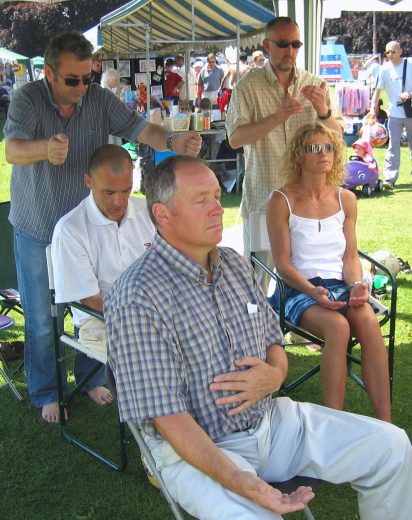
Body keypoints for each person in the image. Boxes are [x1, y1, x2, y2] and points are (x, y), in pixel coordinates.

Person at [104, 155, 411, 520]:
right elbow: (167, 418)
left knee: (392, 446)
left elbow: (273, 341)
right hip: (197, 448)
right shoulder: (137, 296)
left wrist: (276, 374)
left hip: (272, 423)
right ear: (163, 214)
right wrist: (241, 480)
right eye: (201, 200)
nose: (218, 208)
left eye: (217, 196)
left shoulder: (233, 264)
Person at [3, 31, 201, 423]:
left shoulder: (98, 99)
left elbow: (142, 129)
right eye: (72, 80)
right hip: (38, 224)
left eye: (86, 78)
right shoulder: (27, 99)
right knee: (43, 316)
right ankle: (46, 391)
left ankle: (89, 376)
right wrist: (44, 148)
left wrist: (174, 140)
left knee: (88, 303)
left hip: (89, 225)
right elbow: (11, 149)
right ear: (49, 75)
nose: (81, 87)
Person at [266, 123, 390, 421]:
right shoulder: (281, 201)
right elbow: (283, 264)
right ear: (299, 156)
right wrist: (312, 291)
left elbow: (349, 256)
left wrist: (358, 284)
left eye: (329, 147)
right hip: (297, 289)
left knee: (369, 323)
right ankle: (334, 424)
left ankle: (386, 425)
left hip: (339, 285)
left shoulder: (345, 199)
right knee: (338, 327)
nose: (323, 154)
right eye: (314, 148)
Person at [225, 16, 343, 274]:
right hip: (264, 199)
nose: (290, 50)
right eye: (283, 43)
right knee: (259, 280)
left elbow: (338, 136)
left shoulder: (317, 85)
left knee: (310, 277)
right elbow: (235, 139)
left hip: (309, 205)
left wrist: (323, 111)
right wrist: (277, 117)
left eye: (295, 44)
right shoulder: (247, 87)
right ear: (267, 46)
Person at [51, 144, 155, 406]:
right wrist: (146, 319)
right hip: (101, 318)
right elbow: (91, 300)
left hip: (151, 309)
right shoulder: (70, 229)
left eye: (126, 191)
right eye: (109, 192)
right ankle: (154, 419)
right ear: (89, 182)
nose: (119, 201)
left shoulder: (146, 211)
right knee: (155, 351)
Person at [370, 41, 412, 189]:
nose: (390, 55)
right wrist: (372, 110)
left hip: (410, 112)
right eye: (387, 52)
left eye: (393, 52)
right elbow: (377, 91)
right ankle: (390, 178)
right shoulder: (384, 69)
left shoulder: (410, 64)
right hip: (394, 114)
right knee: (393, 146)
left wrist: (409, 94)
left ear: (400, 51)